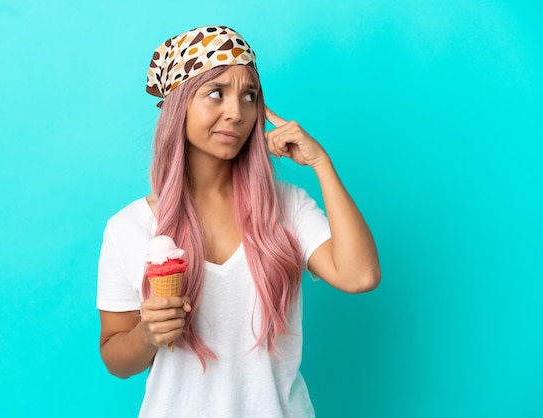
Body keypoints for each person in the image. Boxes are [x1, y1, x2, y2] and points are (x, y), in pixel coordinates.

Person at [96, 25, 381, 417]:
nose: (237, 112)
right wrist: (147, 335)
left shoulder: (286, 206)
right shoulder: (127, 227)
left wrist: (321, 164)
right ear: (179, 104)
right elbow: (115, 357)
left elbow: (360, 275)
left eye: (249, 96)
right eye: (216, 93)